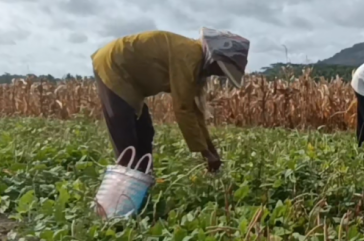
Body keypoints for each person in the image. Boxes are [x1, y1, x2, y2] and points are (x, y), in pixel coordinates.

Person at [91, 28, 250, 173]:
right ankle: (125, 189)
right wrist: (205, 153)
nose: (218, 74)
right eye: (221, 70)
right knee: (126, 137)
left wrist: (210, 150)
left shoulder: (195, 61)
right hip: (112, 65)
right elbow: (183, 108)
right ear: (214, 60)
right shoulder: (189, 57)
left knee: (145, 131)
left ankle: (144, 177)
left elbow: (195, 111)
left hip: (129, 79)